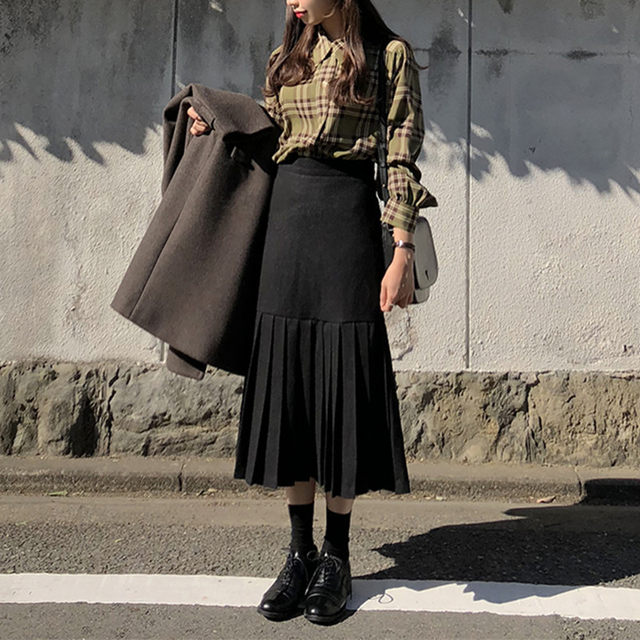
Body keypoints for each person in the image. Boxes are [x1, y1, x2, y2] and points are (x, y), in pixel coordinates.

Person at [188, 0, 437, 626]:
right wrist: (213, 125)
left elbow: (401, 156)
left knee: (342, 383)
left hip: (347, 221)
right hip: (286, 226)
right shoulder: (286, 57)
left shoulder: (389, 56)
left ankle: (337, 555)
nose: (291, 0)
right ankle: (299, 552)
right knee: (292, 385)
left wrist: (402, 249)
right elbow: (266, 137)